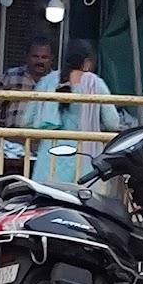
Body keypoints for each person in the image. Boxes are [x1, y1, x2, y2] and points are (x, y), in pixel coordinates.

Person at [29, 38, 122, 185]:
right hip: (85, 157)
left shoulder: (47, 81)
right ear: (87, 62)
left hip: (49, 158)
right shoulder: (96, 84)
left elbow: (26, 120)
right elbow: (113, 123)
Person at [0, 34, 55, 130]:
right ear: (27, 56)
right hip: (14, 139)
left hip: (47, 140)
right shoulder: (12, 75)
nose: (39, 61)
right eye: (35, 56)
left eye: (44, 57)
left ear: (52, 59)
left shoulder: (57, 81)